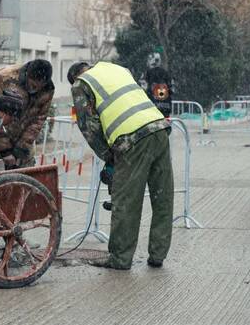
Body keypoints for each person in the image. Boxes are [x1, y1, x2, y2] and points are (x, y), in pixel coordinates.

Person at [67, 61, 173, 270]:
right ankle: (158, 254)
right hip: (159, 129)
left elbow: (88, 125)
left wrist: (108, 156)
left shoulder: (81, 84)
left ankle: (120, 258)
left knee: (126, 201)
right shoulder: (116, 69)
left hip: (131, 139)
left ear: (75, 77)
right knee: (162, 197)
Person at [0, 59, 55, 168]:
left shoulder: (48, 89)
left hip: (22, 150)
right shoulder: (2, 78)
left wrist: (20, 150)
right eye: (32, 85)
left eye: (39, 87)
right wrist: (6, 151)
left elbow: (38, 121)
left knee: (25, 182)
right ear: (27, 75)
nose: (35, 90)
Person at [144, 52, 174, 117]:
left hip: (154, 106)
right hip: (165, 106)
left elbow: (146, 88)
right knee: (166, 122)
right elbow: (171, 89)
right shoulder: (165, 73)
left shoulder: (149, 73)